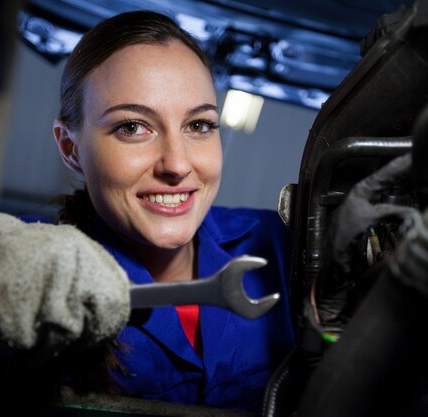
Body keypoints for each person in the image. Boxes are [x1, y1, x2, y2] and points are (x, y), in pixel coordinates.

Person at [46, 9, 295, 412]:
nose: (177, 165)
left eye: (198, 126)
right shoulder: (27, 270)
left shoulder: (279, 243)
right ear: (71, 148)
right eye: (132, 127)